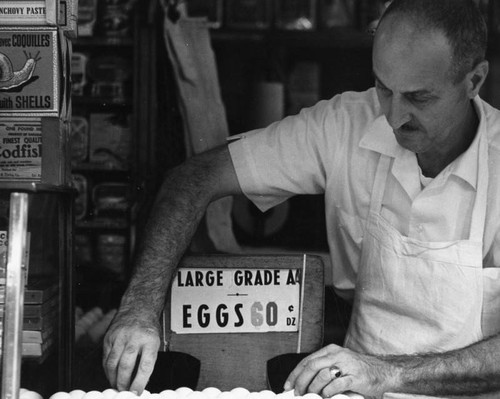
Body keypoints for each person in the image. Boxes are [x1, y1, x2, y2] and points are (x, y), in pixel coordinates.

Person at [103, 0, 500, 397]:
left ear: (474, 81)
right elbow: (193, 179)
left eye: (419, 98)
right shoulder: (344, 125)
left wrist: (388, 373)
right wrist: (139, 307)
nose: (394, 117)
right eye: (383, 88)